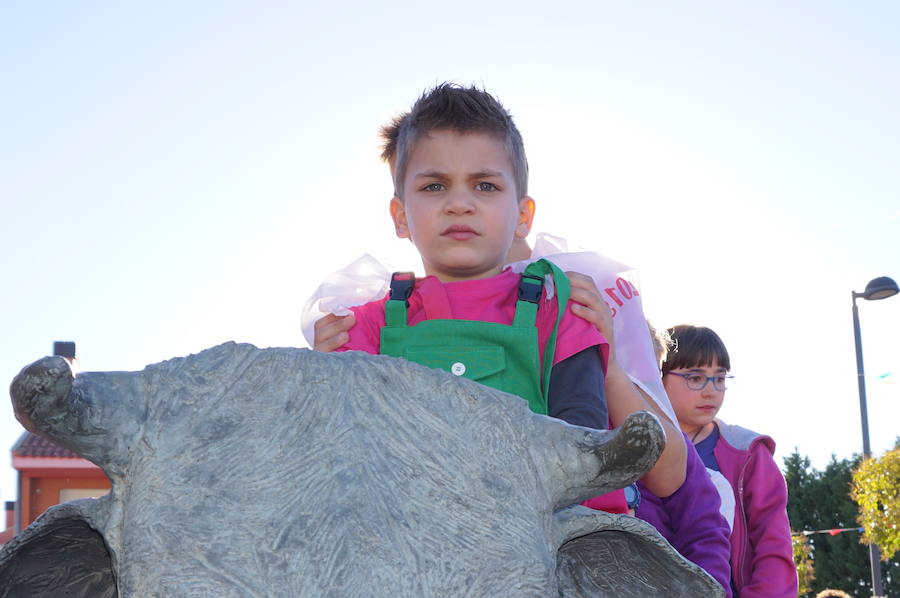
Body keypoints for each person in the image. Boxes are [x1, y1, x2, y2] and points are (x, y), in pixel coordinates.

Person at [311, 82, 686, 507]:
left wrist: (609, 365)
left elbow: (584, 454)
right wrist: (321, 384)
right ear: (400, 215)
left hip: (547, 544)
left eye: (484, 186)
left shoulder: (561, 309)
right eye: (434, 186)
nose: (459, 203)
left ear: (523, 216)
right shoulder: (362, 327)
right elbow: (336, 468)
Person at [662, 324, 797, 598]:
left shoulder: (748, 454)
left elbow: (774, 548)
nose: (711, 391)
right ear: (658, 375)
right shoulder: (634, 447)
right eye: (695, 377)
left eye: (719, 378)